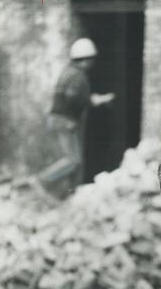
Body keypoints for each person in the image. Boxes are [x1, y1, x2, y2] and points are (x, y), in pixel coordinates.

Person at [39, 38, 115, 197]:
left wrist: (93, 99)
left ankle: (64, 195)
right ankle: (42, 181)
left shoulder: (69, 71)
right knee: (73, 161)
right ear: (86, 59)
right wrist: (94, 100)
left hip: (58, 120)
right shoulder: (78, 76)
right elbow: (73, 97)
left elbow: (75, 95)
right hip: (64, 121)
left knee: (70, 161)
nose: (93, 63)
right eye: (92, 59)